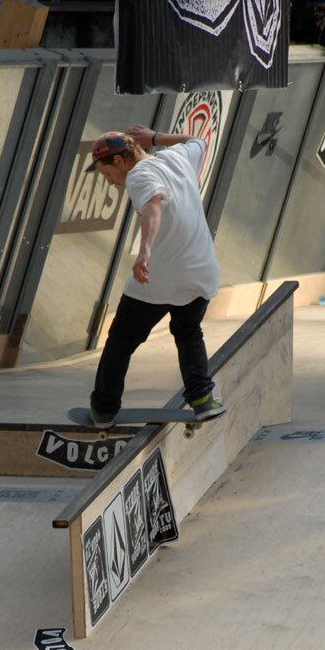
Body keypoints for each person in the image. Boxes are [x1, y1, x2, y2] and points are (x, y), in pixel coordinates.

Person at [84, 125, 225, 428]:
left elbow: (152, 205)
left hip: (160, 276)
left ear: (120, 161)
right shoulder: (176, 157)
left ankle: (104, 409)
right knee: (188, 333)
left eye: (106, 173)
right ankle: (203, 400)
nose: (109, 182)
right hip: (200, 271)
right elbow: (197, 140)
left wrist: (145, 251)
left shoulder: (139, 175)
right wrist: (157, 138)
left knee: (121, 340)